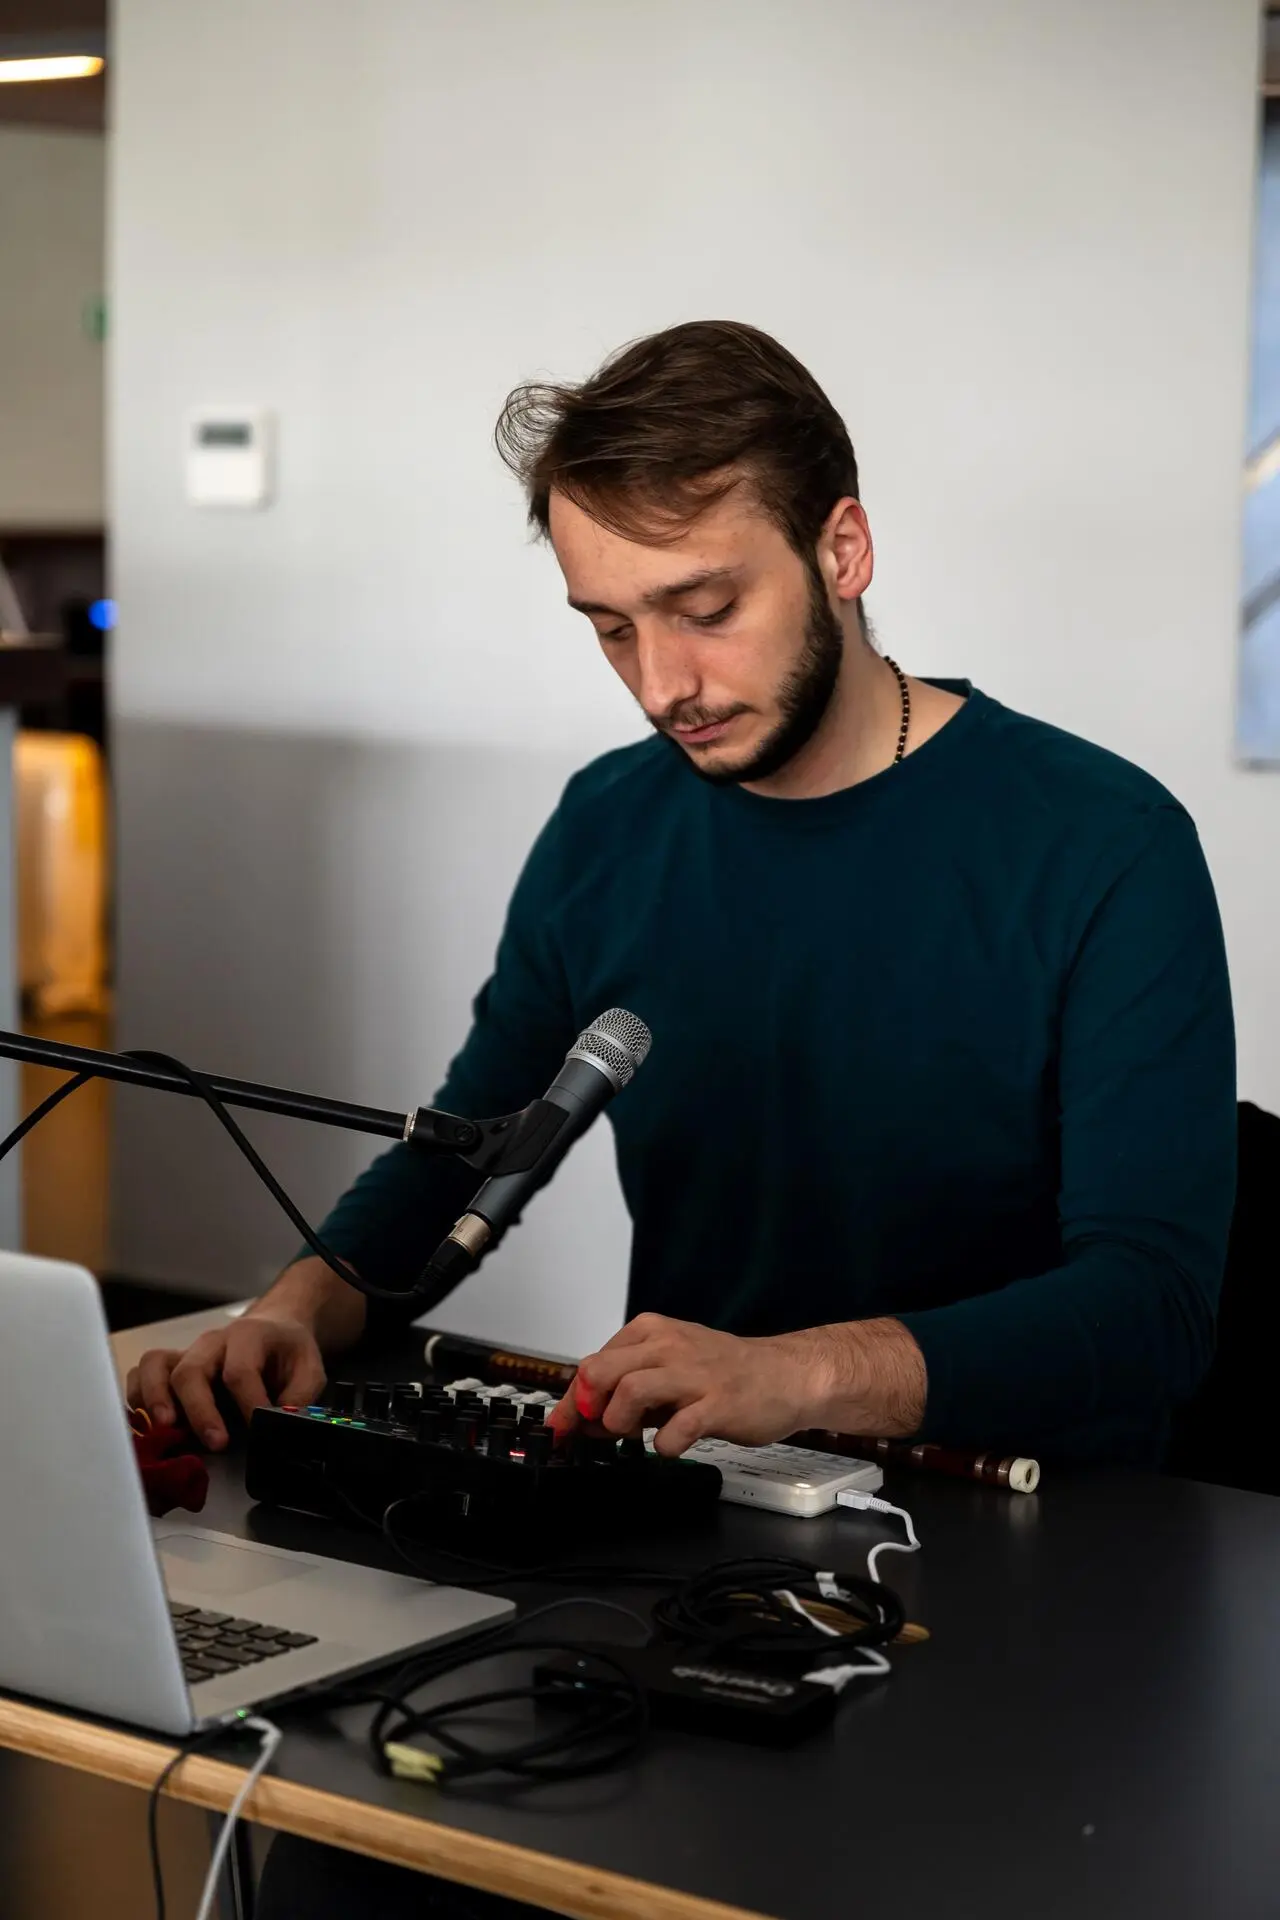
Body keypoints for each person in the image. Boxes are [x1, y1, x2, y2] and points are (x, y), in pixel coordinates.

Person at [130, 320, 1236, 1918]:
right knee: (341, 1861)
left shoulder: (1104, 846)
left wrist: (797, 1370)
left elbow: (1151, 1309)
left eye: (706, 611)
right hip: (695, 1534)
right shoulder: (608, 827)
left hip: (1031, 1570)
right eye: (610, 629)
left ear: (843, 550)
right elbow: (465, 1151)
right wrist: (293, 1307)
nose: (663, 684)